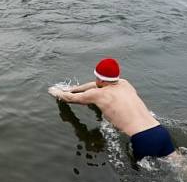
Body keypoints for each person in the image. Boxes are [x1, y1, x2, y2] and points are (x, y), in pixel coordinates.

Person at [48, 58, 176, 161]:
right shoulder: (125, 83)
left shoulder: (98, 94)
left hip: (141, 139)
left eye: (96, 77)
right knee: (181, 166)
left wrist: (55, 91)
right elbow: (95, 85)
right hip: (160, 132)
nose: (95, 80)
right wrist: (73, 88)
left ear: (101, 79)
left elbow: (69, 99)